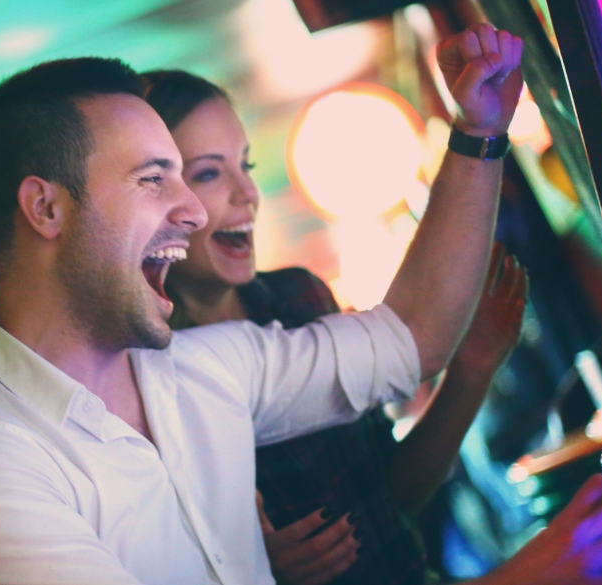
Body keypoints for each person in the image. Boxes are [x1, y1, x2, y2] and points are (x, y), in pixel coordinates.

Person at [0, 23, 602, 585]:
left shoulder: (204, 368)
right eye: (153, 180)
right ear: (45, 208)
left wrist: (476, 133)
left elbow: (410, 339)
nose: (195, 212)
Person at [142, 68, 528, 584]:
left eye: (246, 165)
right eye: (209, 173)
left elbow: (391, 498)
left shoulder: (301, 296)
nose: (248, 193)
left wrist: (472, 370)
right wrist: (252, 571)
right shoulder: (144, 379)